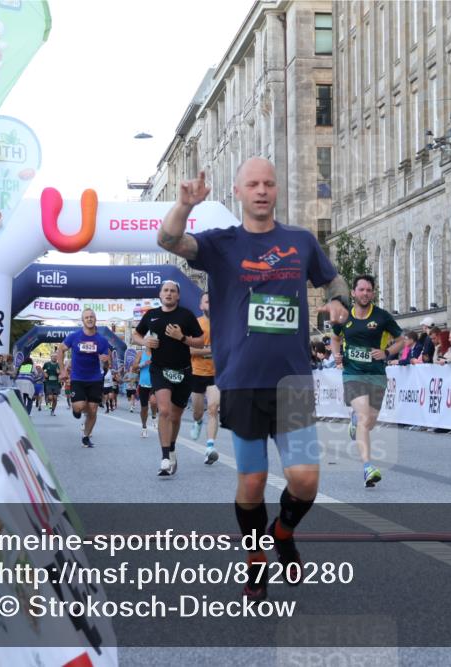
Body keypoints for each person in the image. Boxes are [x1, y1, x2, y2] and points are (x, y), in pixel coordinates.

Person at [158, 159, 348, 603]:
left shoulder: (299, 241)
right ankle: (256, 558)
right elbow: (168, 240)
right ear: (237, 192)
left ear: (276, 190)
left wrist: (339, 301)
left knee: (305, 482)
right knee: (253, 481)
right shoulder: (222, 243)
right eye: (252, 184)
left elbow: (332, 277)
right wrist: (184, 205)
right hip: (242, 381)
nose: (261, 191)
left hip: (293, 381)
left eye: (268, 184)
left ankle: (282, 533)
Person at [329, 274, 404, 487]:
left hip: (377, 374)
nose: (365, 293)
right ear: (353, 293)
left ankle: (355, 423)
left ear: (373, 293)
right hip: (352, 374)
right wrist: (337, 357)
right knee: (364, 417)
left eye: (369, 290)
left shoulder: (382, 317)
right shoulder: (344, 316)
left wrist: (387, 352)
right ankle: (367, 467)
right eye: (361, 289)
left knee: (369, 421)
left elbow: (401, 340)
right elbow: (335, 337)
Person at [133, 280, 204, 477]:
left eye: (173, 291)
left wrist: (182, 337)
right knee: (164, 410)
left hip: (183, 370)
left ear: (178, 296)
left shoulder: (186, 315)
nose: (169, 293)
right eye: (166, 290)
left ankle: (171, 448)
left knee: (175, 416)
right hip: (159, 369)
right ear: (160, 294)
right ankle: (164, 457)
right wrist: (145, 340)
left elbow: (200, 341)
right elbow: (135, 335)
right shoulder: (152, 315)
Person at [55, 309, 111, 448]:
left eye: (92, 317)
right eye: (87, 317)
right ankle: (77, 409)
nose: (89, 319)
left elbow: (108, 362)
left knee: (93, 409)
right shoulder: (74, 336)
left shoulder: (102, 340)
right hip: (78, 377)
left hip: (95, 378)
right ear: (83, 320)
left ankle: (86, 437)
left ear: (95, 319)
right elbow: (61, 350)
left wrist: (105, 360)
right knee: (80, 406)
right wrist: (62, 370)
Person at [190, 291, 221, 464]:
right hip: (197, 372)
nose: (211, 304)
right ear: (201, 306)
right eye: (207, 301)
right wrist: (210, 350)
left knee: (213, 408)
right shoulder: (195, 324)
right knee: (197, 412)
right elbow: (190, 350)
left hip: (216, 374)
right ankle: (197, 421)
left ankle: (210, 447)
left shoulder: (223, 324)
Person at [132, 345, 157, 438]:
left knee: (154, 402)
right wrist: (143, 364)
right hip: (143, 384)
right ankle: (144, 427)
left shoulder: (158, 353)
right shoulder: (140, 354)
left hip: (155, 383)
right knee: (144, 409)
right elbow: (133, 368)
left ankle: (154, 416)